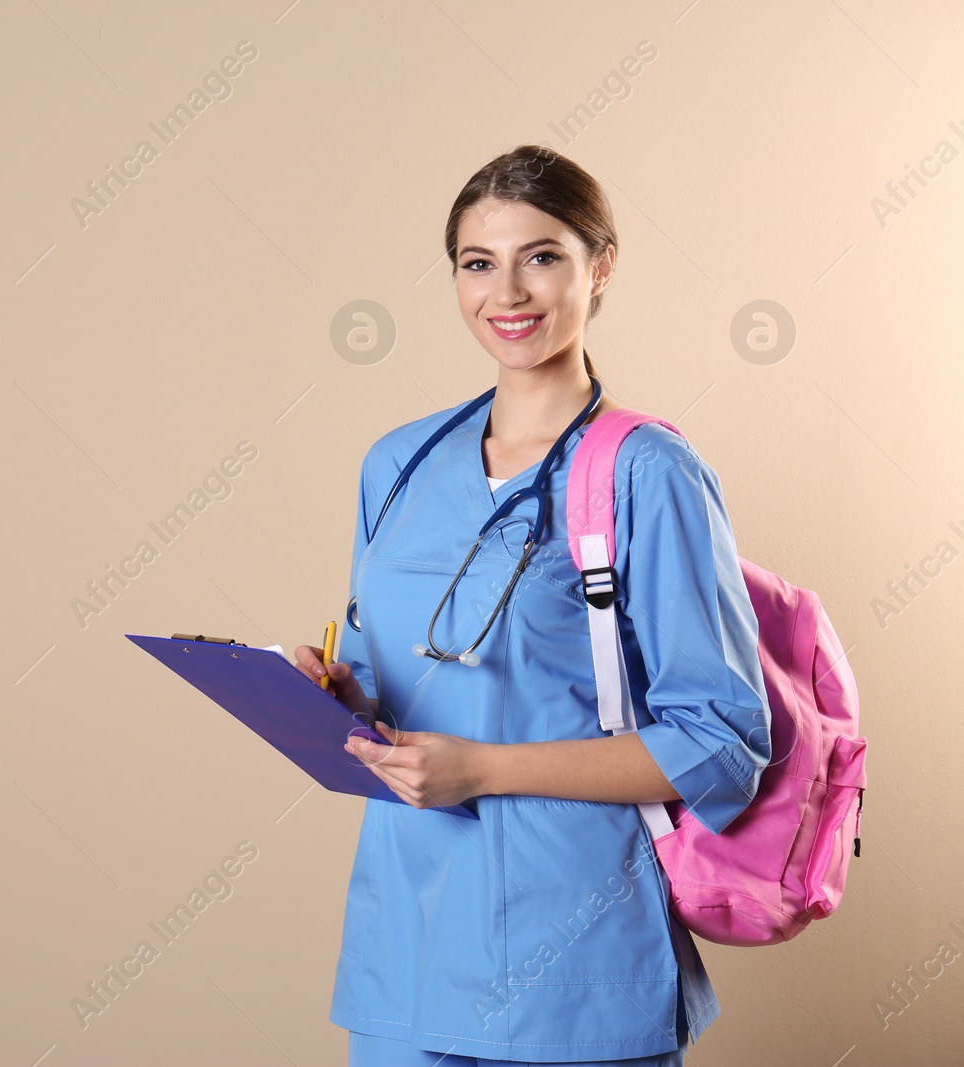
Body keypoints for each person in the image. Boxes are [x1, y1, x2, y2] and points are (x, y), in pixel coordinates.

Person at [294, 145, 771, 1067]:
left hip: (574, 962)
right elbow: (404, 681)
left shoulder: (647, 474)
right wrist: (341, 703)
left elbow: (721, 738)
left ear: (601, 264)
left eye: (541, 256)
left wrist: (483, 767)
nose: (506, 293)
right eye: (479, 263)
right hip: (409, 951)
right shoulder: (396, 467)